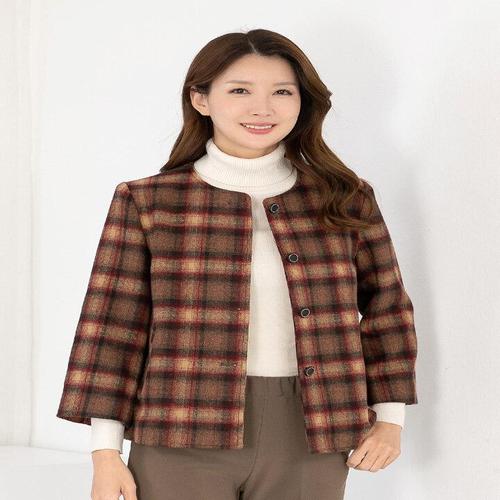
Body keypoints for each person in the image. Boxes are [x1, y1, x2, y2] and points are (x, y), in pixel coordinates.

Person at [56, 28, 418, 500]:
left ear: (303, 101)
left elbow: (388, 309)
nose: (262, 108)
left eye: (282, 92)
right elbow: (113, 327)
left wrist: (390, 418)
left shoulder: (345, 198)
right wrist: (105, 452)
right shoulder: (149, 202)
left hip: (313, 430)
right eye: (240, 91)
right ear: (201, 99)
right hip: (179, 428)